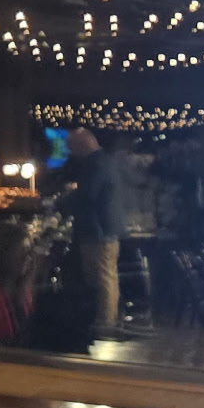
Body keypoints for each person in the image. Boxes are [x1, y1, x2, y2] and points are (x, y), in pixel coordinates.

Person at [55, 128, 125, 331]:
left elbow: (87, 195)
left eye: (72, 148)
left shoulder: (96, 164)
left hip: (98, 230)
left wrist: (61, 201)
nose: (71, 153)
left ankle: (105, 322)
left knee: (102, 278)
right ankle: (106, 319)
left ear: (82, 145)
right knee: (104, 276)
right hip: (102, 228)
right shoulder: (104, 161)